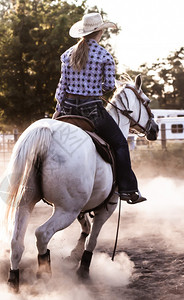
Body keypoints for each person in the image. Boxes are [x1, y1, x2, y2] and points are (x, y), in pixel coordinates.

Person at [53, 12, 145, 204]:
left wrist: (58, 109)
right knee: (120, 143)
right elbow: (110, 86)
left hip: (68, 109)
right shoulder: (105, 56)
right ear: (100, 32)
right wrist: (96, 88)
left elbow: (61, 87)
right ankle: (128, 189)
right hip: (92, 111)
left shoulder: (67, 54)